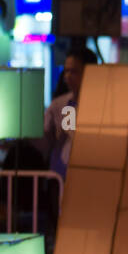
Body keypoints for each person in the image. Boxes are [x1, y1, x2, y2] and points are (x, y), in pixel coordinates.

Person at [43, 47, 98, 179]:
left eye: (73, 72)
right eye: (66, 71)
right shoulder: (62, 104)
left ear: (89, 72)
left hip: (88, 173)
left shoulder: (100, 105)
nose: (67, 76)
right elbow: (50, 137)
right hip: (61, 175)